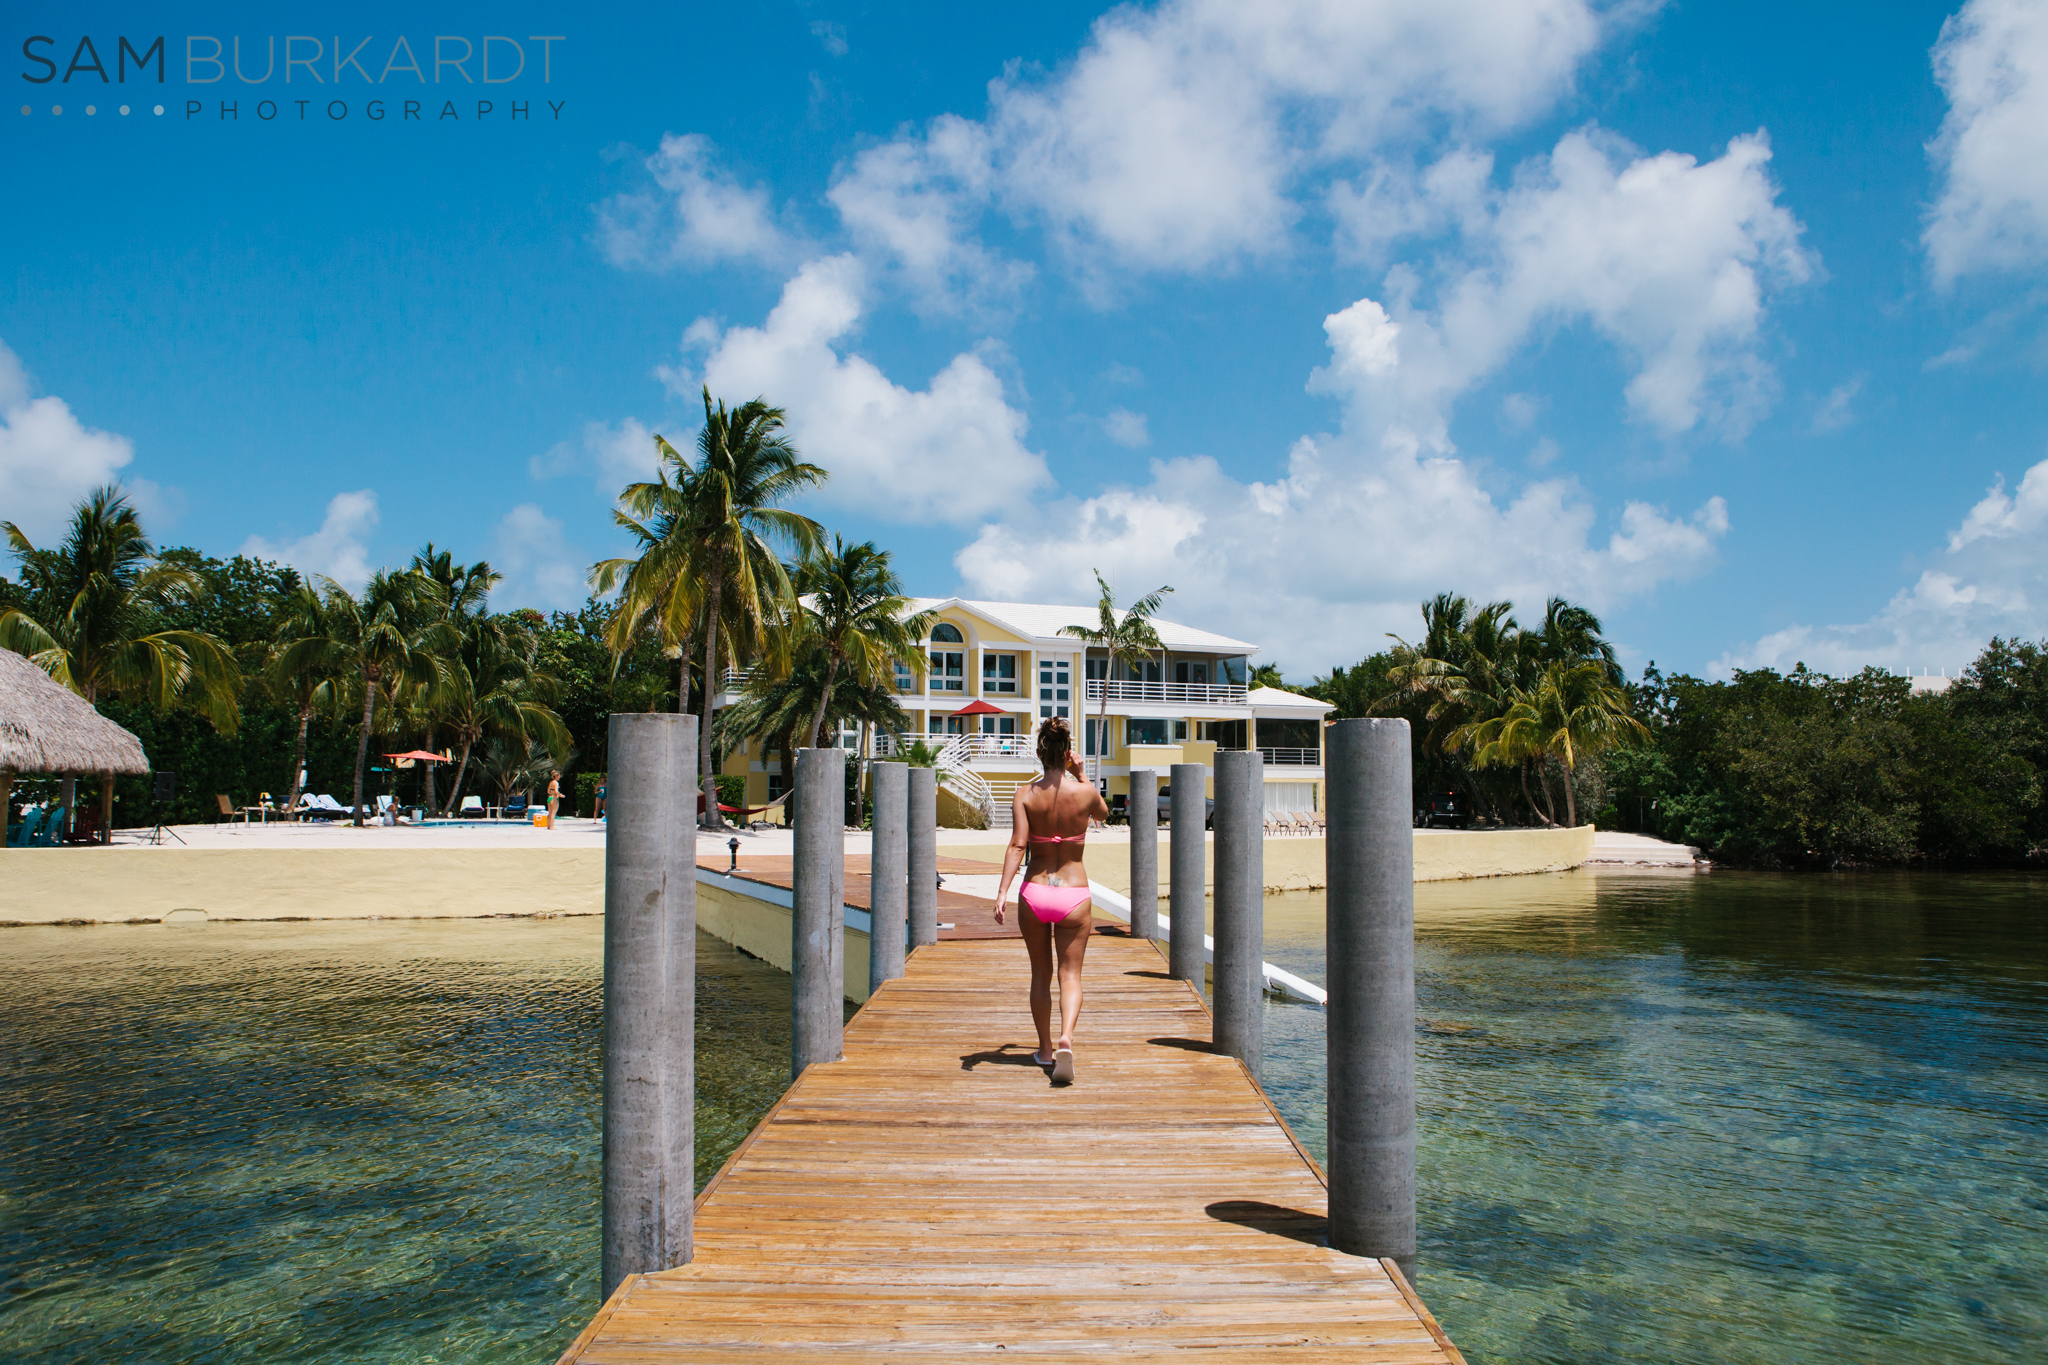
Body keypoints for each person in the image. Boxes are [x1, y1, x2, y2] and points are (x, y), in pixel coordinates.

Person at [994, 716, 1108, 1085]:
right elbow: (1103, 815)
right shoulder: (1084, 792)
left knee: (1040, 975)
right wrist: (1083, 773)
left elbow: (1017, 845)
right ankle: (1066, 1039)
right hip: (1074, 892)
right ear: (1067, 753)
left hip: (1036, 891)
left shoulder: (1025, 794)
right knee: (1070, 974)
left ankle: (1044, 1050)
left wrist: (1002, 893)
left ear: (1040, 752)